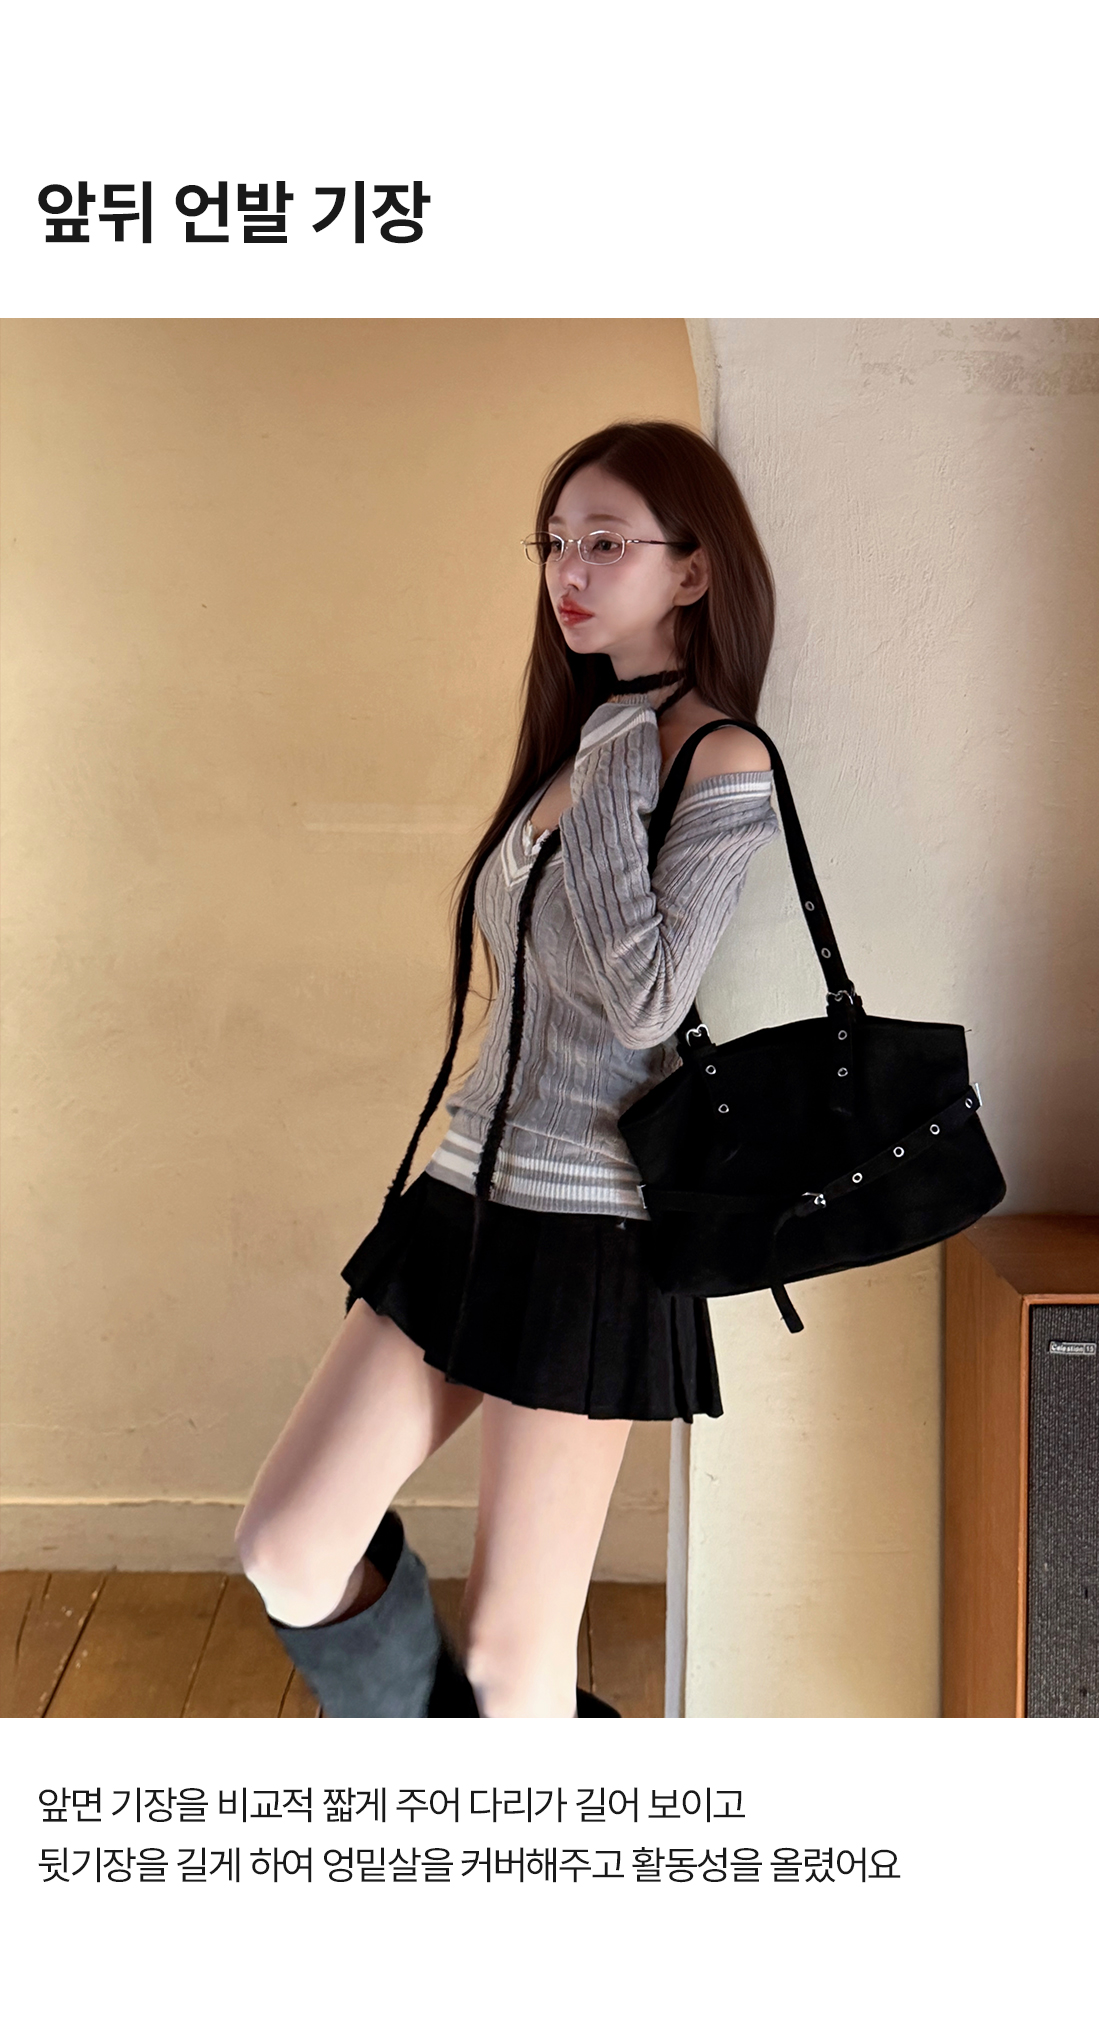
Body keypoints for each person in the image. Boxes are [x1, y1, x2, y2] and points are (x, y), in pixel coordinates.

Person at [235, 418, 781, 1718]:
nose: (567, 571)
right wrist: (601, 749)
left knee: (511, 1659)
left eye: (607, 542)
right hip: (466, 1199)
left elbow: (645, 1001)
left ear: (695, 569)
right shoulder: (581, 745)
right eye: (554, 542)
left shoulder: (719, 760)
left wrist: (617, 762)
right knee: (289, 1547)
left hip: (594, 1233)